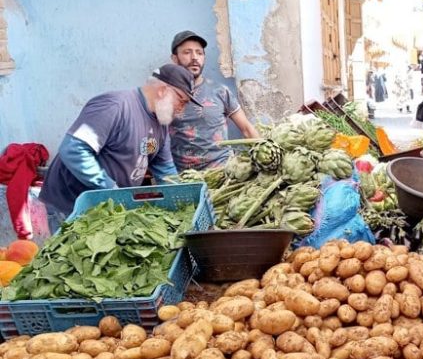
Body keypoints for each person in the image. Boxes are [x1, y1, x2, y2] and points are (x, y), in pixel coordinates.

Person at [40, 64, 198, 231]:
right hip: (69, 209)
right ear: (163, 90)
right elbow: (73, 149)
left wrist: (184, 202)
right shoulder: (115, 106)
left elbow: (165, 170)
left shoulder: (161, 124)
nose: (182, 108)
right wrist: (110, 189)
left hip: (105, 212)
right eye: (181, 100)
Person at [168, 31, 259, 171]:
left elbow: (246, 129)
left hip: (223, 174)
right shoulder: (164, 97)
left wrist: (266, 158)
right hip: (185, 178)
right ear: (174, 58)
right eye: (187, 52)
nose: (194, 58)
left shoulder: (220, 91)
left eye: (199, 53)